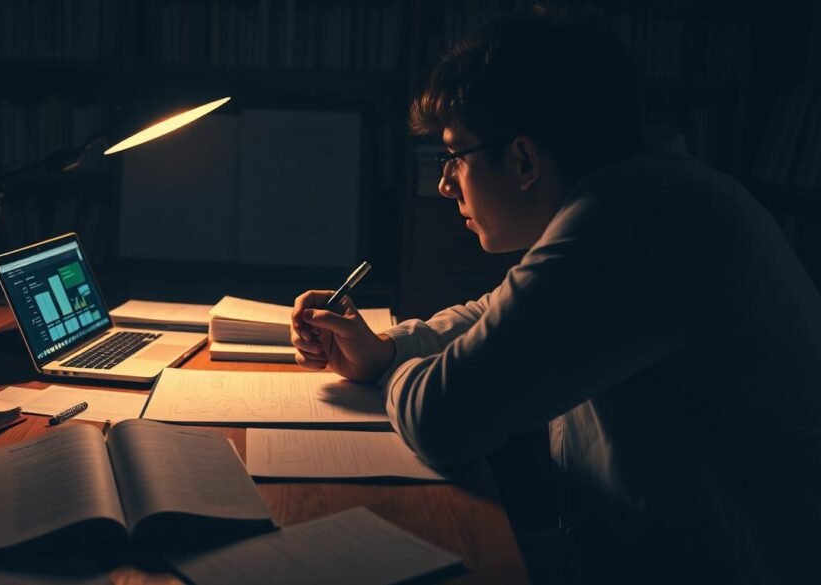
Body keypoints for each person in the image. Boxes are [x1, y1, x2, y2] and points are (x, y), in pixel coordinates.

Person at [290, 14, 821, 585]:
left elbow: (443, 417)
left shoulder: (631, 224)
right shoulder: (641, 198)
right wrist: (386, 349)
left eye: (454, 157)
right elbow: (496, 312)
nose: (445, 184)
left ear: (523, 160)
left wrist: (393, 375)